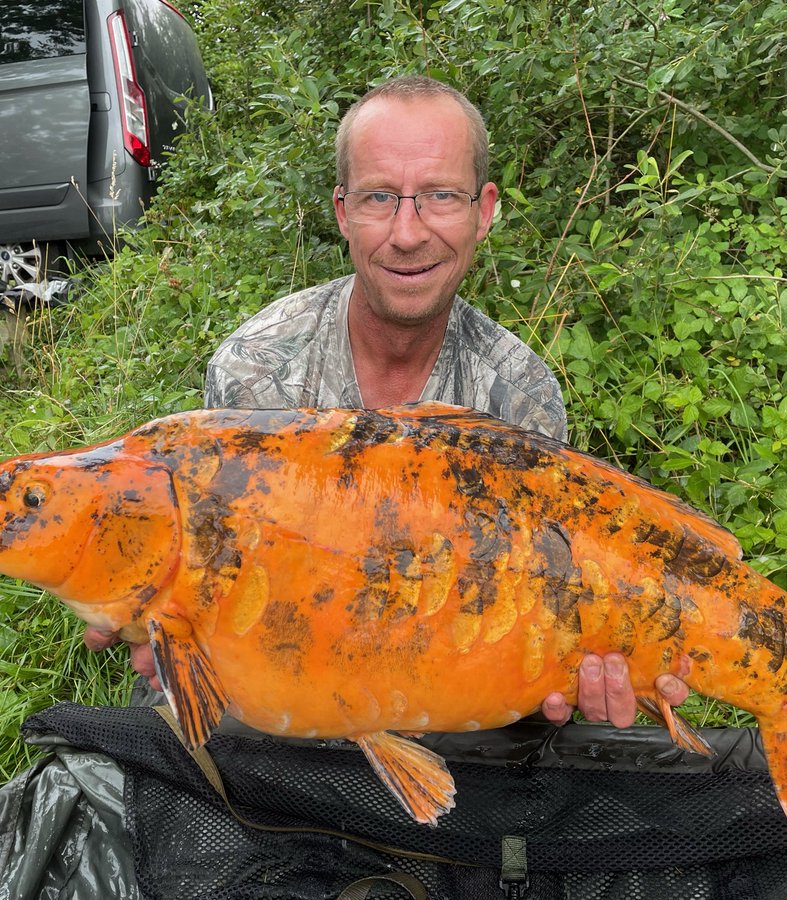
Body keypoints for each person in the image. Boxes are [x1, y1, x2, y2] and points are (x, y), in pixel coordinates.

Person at [85, 74, 690, 728]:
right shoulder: (256, 372)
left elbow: (539, 615)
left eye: (440, 196)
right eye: (380, 198)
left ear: (484, 210)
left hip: (443, 707)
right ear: (343, 211)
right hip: (282, 707)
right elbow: (210, 592)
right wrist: (167, 629)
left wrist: (583, 681)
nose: (408, 233)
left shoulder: (518, 394)